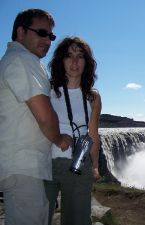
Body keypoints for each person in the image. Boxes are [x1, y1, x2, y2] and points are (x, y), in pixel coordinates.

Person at [0, 9, 73, 225]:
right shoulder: (22, 60)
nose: (47, 40)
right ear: (20, 31)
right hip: (22, 164)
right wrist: (59, 139)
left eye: (50, 36)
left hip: (22, 163)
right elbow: (43, 114)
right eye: (41, 32)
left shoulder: (18, 60)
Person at [44, 36, 101, 225]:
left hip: (79, 164)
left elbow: (93, 134)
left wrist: (94, 166)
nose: (74, 62)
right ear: (61, 60)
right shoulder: (48, 90)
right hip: (45, 163)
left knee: (78, 220)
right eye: (69, 56)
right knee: (39, 217)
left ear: (87, 62)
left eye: (80, 56)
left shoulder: (93, 96)